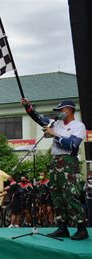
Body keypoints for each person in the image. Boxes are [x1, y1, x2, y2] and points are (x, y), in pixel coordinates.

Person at [22, 98, 88, 240]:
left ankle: (81, 228)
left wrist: (55, 135)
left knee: (71, 194)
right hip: (55, 161)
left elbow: (73, 145)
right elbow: (39, 119)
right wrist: (28, 107)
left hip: (69, 161)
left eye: (60, 110)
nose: (58, 113)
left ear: (69, 110)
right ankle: (62, 226)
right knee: (56, 195)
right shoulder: (56, 123)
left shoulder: (78, 126)